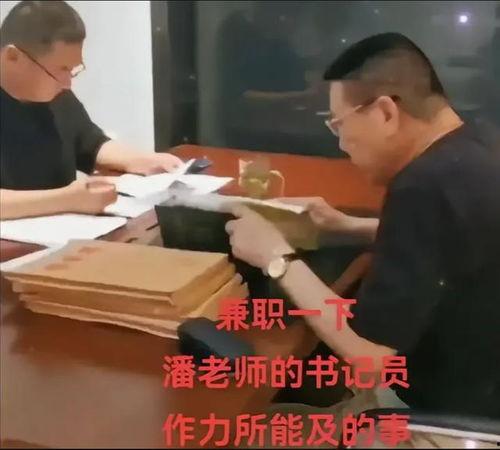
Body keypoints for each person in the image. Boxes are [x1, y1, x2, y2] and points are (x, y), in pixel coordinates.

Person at [226, 32, 500, 445]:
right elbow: (459, 235)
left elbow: (370, 359)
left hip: (448, 425)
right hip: (475, 395)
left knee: (240, 436)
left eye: (339, 124)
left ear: (385, 112)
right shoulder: (476, 144)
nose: (341, 143)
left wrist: (276, 257)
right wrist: (345, 224)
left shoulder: (421, 188)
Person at [0, 1, 182, 220]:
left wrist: (143, 160)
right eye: (61, 70)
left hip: (63, 231)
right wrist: (66, 200)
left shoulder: (57, 97)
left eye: (72, 69)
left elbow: (91, 144)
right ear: (13, 57)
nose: (67, 83)